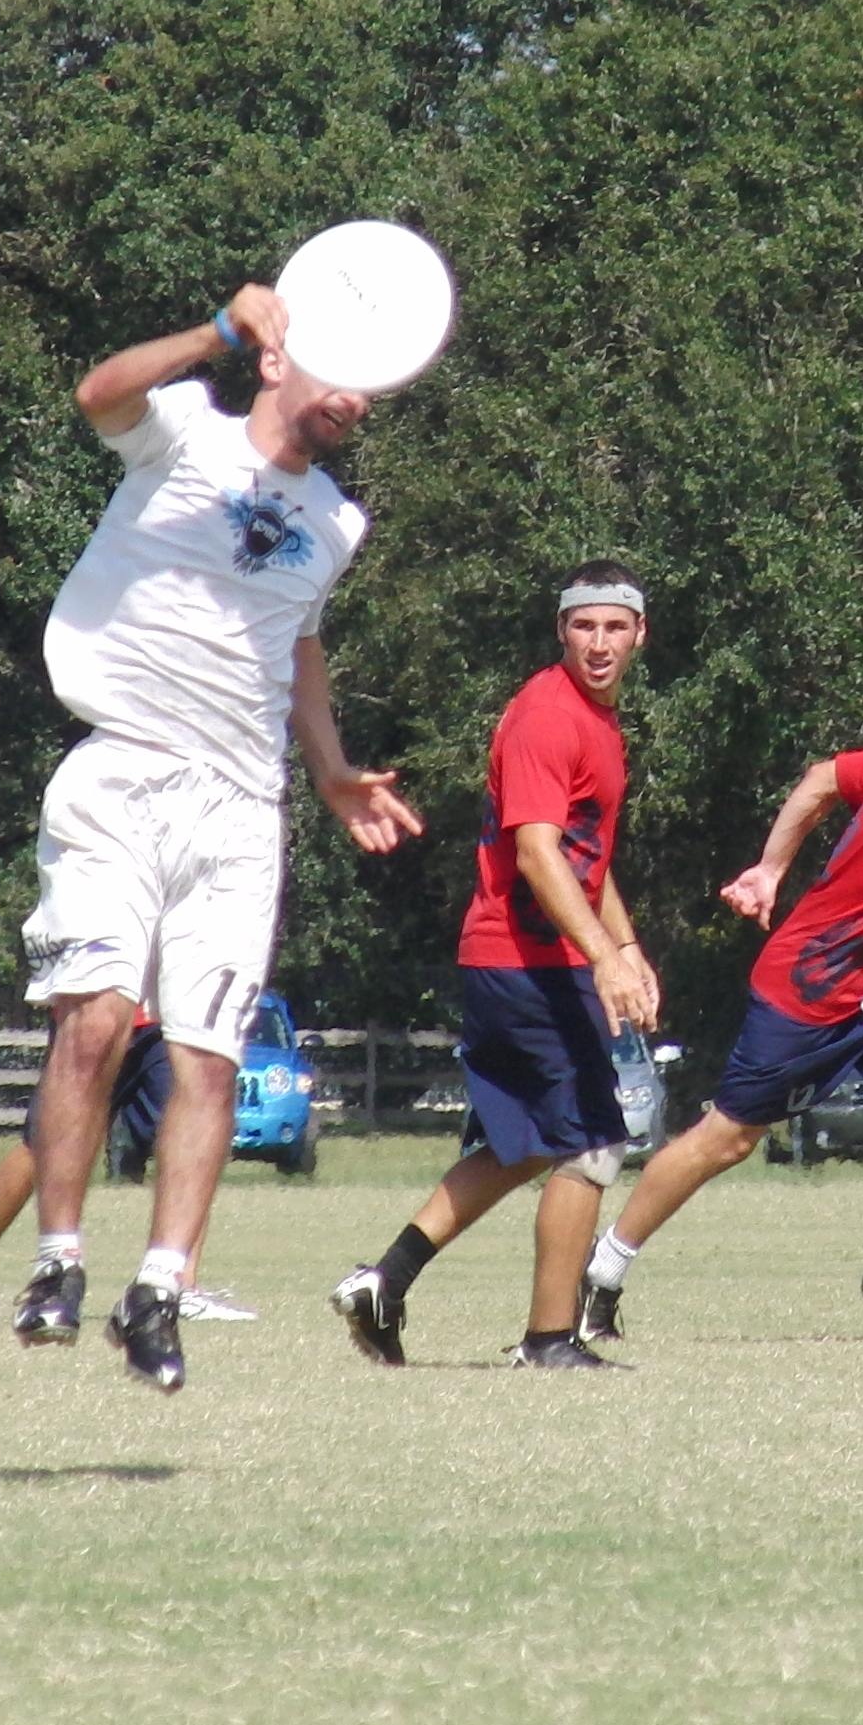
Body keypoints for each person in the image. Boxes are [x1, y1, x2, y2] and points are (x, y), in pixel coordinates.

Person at [12, 278, 423, 1392]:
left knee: (210, 1055)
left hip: (242, 809)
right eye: (344, 375)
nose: (358, 402)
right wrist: (217, 332)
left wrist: (330, 768)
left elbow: (299, 644)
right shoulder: (185, 429)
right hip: (123, 771)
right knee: (97, 1023)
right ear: (277, 360)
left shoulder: (338, 524)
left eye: (374, 389)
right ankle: (57, 1262)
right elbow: (96, 392)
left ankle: (158, 1290)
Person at [577, 680, 863, 1339]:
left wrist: (771, 868)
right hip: (811, 990)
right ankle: (599, 1275)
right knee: (725, 1140)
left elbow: (821, 779)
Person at [333, 564, 657, 1371]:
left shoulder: (597, 720)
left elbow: (585, 857)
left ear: (639, 634)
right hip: (529, 961)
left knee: (530, 1146)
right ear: (561, 631)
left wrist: (625, 947)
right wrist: (602, 959)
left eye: (615, 627)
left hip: (527, 959)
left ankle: (386, 1280)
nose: (600, 643)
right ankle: (549, 1340)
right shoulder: (550, 715)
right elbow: (538, 855)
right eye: (584, 626)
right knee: (593, 1144)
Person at [0, 1027, 257, 1325]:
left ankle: (181, 1286)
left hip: (161, 1023)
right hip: (99, 1009)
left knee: (190, 1145)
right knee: (46, 1148)